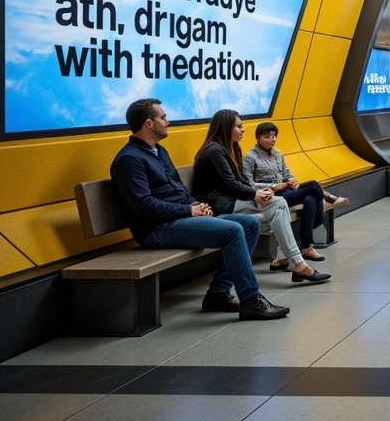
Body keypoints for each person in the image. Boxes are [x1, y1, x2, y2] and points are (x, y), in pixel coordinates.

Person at [109, 99, 289, 320]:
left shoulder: (159, 151)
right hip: (156, 229)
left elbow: (177, 189)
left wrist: (195, 203)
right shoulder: (130, 159)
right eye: (163, 117)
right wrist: (187, 210)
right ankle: (251, 301)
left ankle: (218, 293)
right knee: (232, 231)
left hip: (177, 218)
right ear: (148, 123)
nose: (168, 121)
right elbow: (143, 205)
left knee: (250, 224)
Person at [193, 110, 331, 284]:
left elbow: (239, 181)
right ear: (226, 127)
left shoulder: (230, 149)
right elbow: (230, 184)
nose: (242, 130)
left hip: (232, 200)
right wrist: (256, 193)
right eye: (238, 126)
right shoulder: (215, 151)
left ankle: (295, 263)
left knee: (279, 211)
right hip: (217, 204)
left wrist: (259, 192)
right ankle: (297, 264)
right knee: (279, 205)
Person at [243, 121, 349, 269]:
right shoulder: (250, 157)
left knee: (310, 198)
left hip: (286, 191)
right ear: (258, 137)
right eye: (267, 136)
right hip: (271, 196)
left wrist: (290, 179)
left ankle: (307, 247)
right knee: (313, 185)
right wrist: (272, 186)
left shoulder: (278, 153)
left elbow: (286, 173)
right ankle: (328, 197)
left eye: (274, 136)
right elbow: (248, 184)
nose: (272, 139)